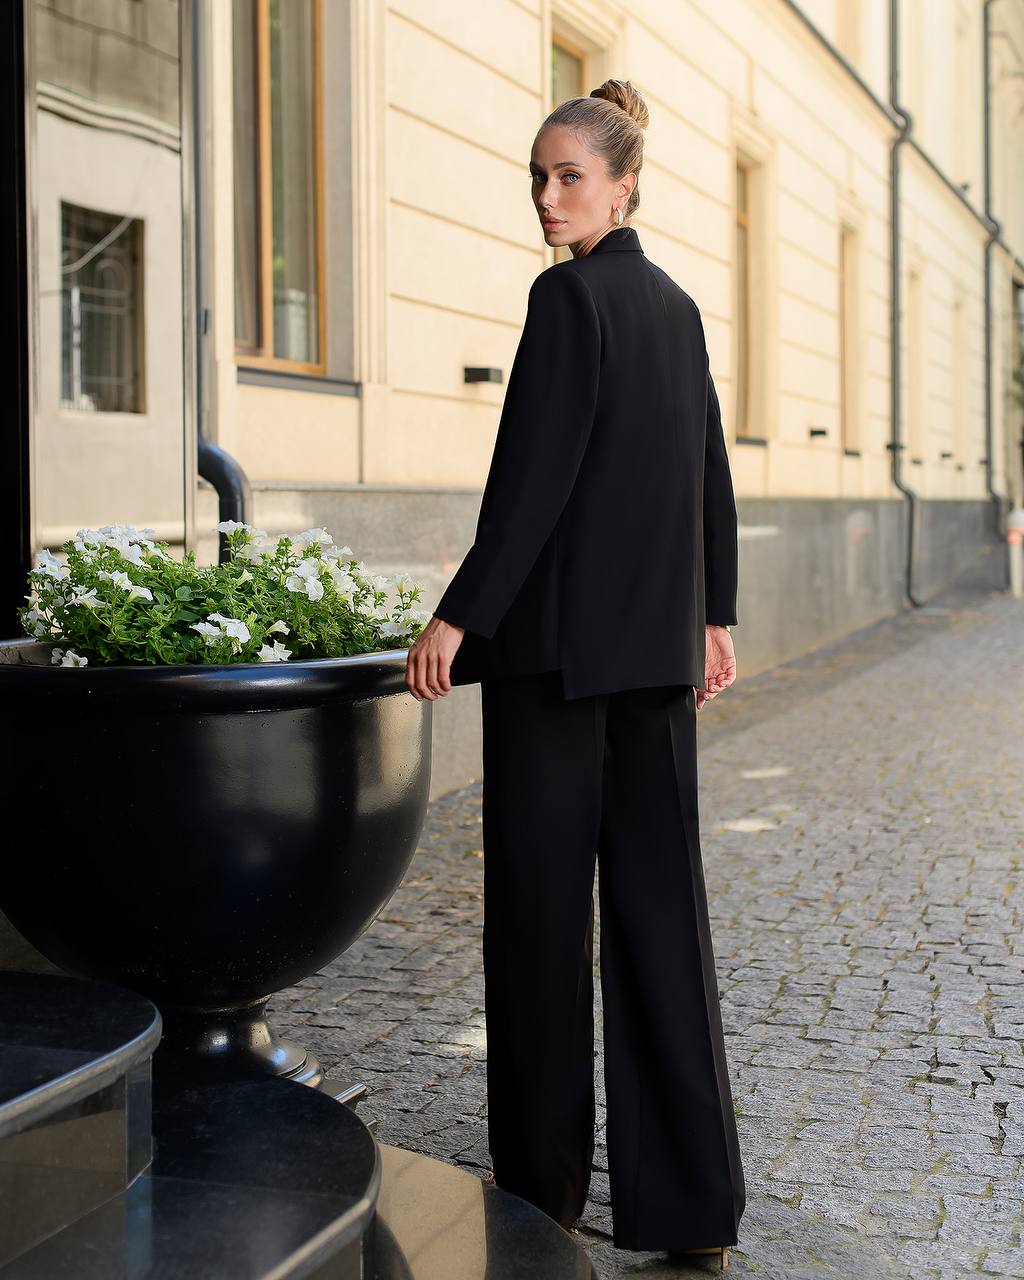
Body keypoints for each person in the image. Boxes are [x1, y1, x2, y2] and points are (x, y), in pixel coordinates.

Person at [405, 79, 744, 1267]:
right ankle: (690, 1205)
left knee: (542, 924)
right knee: (660, 920)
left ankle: (540, 1182)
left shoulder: (568, 300)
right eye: (537, 179)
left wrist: (457, 616)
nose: (547, 200)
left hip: (554, 663)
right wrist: (714, 615)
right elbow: (709, 467)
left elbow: (532, 481)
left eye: (568, 178)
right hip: (651, 658)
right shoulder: (681, 307)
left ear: (624, 183)